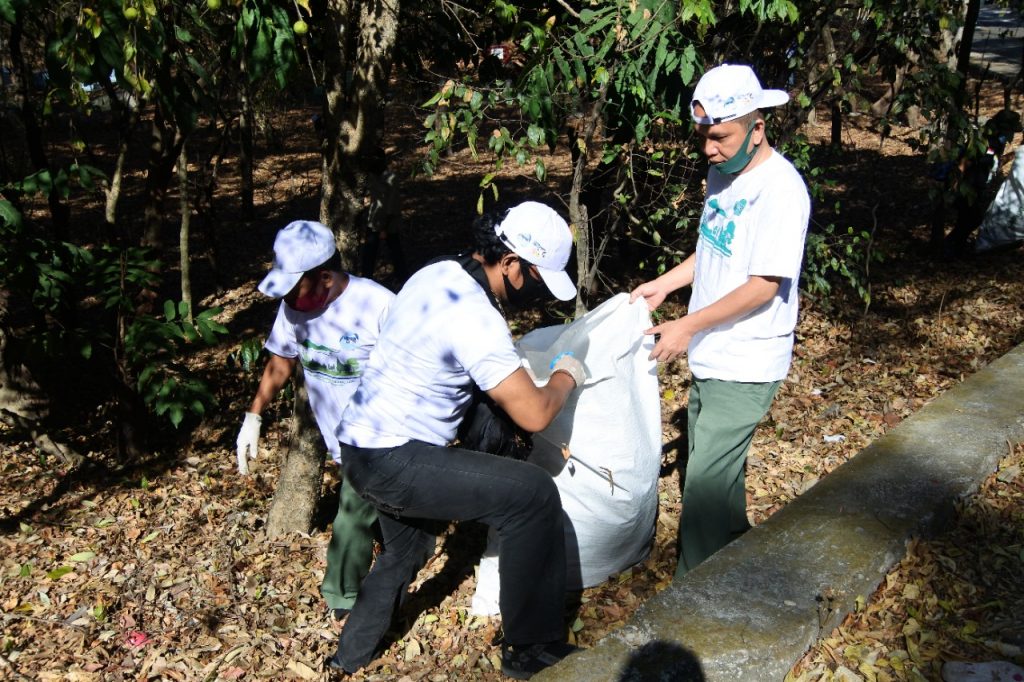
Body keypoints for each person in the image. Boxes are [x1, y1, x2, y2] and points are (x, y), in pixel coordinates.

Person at [327, 201, 586, 680]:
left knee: (407, 548)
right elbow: (533, 413)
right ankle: (529, 649)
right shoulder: (476, 317)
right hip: (395, 457)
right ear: (510, 265)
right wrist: (566, 375)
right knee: (533, 494)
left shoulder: (438, 272)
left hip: (359, 447)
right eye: (535, 280)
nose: (536, 295)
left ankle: (348, 657)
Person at [630, 64, 810, 579]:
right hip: (713, 351)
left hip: (747, 359)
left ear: (758, 128)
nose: (708, 148)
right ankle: (745, 565)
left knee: (704, 490)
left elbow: (764, 285)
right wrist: (667, 283)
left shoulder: (781, 191)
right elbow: (713, 250)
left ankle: (693, 606)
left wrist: (686, 327)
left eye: (720, 137)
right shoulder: (722, 173)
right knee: (718, 483)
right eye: (703, 137)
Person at [234, 219, 395, 619]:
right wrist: (254, 415)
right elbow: (281, 361)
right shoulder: (292, 309)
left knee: (351, 517)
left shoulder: (378, 304)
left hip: (382, 435)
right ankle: (404, 550)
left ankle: (342, 599)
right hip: (339, 440)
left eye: (294, 286)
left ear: (325, 276)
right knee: (386, 513)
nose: (287, 296)